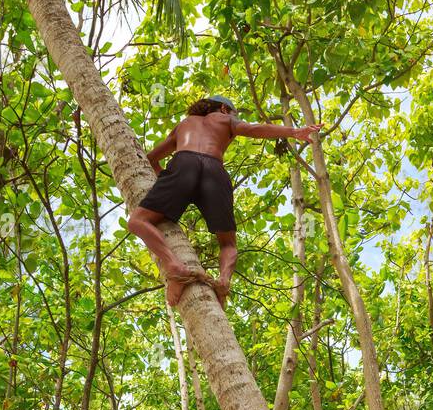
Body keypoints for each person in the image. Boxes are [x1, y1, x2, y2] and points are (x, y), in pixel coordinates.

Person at [127, 95, 322, 308]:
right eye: (234, 113)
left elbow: (152, 157)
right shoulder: (224, 120)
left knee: (138, 221)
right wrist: (293, 132)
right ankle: (223, 282)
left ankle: (174, 266)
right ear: (224, 109)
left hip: (184, 164)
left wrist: (168, 181)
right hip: (214, 171)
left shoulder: (184, 124)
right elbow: (253, 129)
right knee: (228, 243)